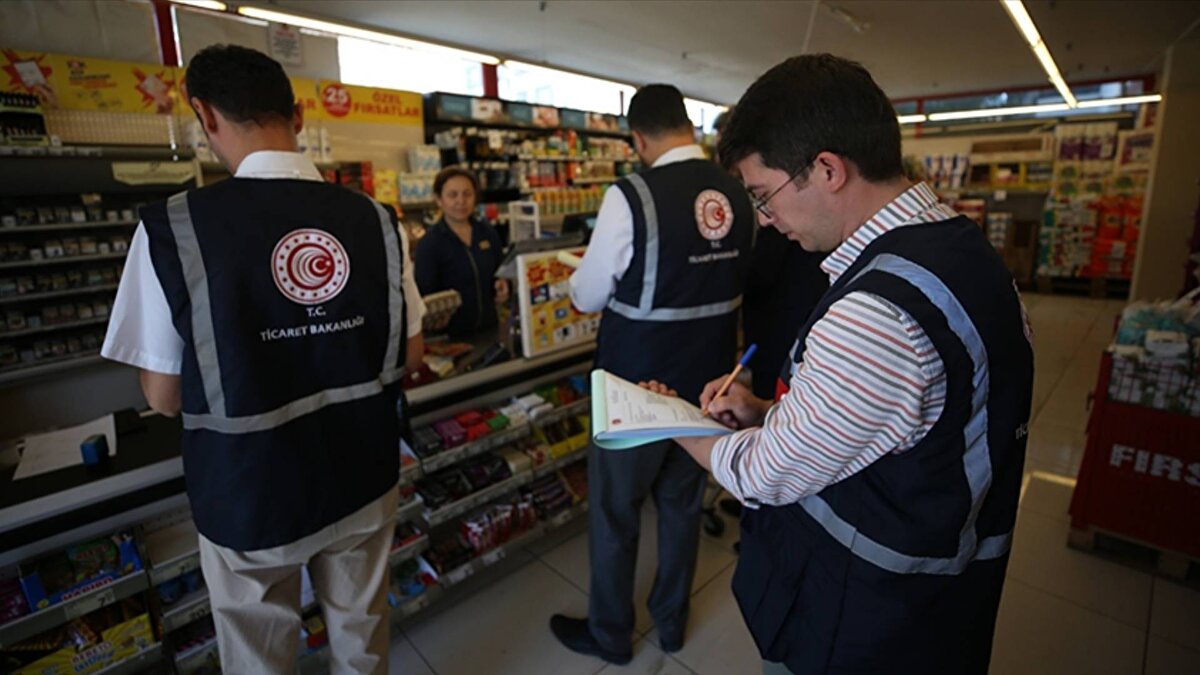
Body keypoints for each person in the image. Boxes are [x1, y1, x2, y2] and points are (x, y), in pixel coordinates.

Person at [649, 54, 1035, 674]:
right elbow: (904, 416)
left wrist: (664, 417)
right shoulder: (960, 248)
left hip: (867, 616)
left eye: (763, 195)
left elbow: (762, 475)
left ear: (826, 168)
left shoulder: (877, 311)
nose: (767, 221)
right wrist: (773, 412)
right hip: (939, 594)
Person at [101, 45, 425, 674]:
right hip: (362, 471)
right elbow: (408, 352)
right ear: (297, 114)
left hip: (250, 491)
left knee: (260, 659)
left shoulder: (177, 227)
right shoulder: (376, 220)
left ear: (204, 115)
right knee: (362, 640)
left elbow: (163, 397)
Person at [550, 84, 754, 664]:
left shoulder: (632, 195)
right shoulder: (738, 195)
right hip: (708, 387)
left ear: (637, 138)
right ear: (688, 125)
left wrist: (575, 281)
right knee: (682, 508)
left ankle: (611, 633)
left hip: (632, 390)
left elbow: (589, 295)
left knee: (616, 514)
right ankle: (671, 623)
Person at [414, 167, 509, 338]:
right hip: (449, 339)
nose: (461, 201)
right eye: (452, 195)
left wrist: (503, 284)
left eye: (467, 194)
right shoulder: (430, 243)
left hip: (490, 330)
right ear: (438, 199)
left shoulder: (487, 233)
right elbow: (424, 295)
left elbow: (501, 271)